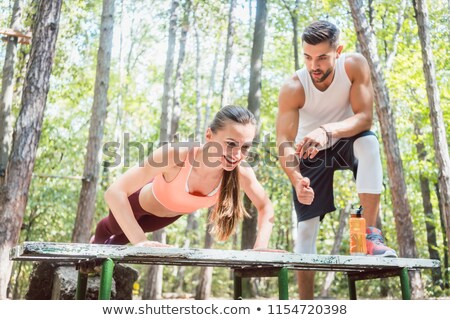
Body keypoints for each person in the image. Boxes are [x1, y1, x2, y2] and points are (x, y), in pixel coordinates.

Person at [276, 21, 397, 299]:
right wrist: (296, 180)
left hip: (346, 138)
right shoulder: (294, 86)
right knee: (305, 231)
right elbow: (283, 141)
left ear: (338, 51)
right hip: (309, 150)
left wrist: (328, 130)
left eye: (321, 57)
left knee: (369, 143)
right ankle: (304, 306)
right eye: (307, 57)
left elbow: (365, 118)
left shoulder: (354, 66)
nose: (313, 65)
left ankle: (369, 236)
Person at [91, 105, 274, 250]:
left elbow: (265, 206)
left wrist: (261, 247)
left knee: (120, 241)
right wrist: (139, 241)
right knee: (114, 230)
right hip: (137, 204)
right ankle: (96, 239)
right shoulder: (177, 155)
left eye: (245, 147)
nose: (237, 154)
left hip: (169, 215)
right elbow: (114, 192)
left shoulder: (241, 172)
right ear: (209, 135)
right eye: (231, 144)